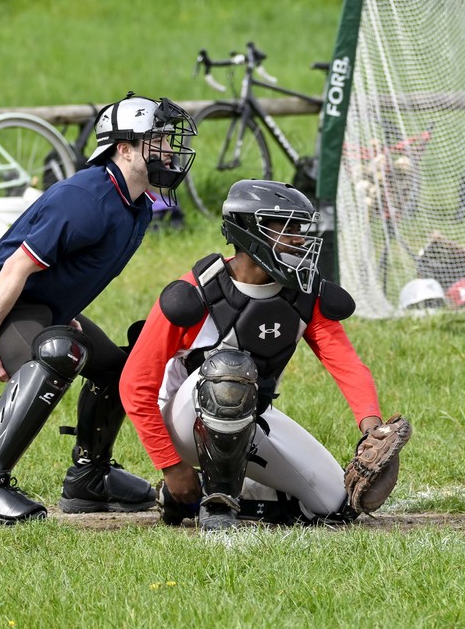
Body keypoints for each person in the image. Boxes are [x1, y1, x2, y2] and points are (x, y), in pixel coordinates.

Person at [0, 94, 196, 524]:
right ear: (124, 148)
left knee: (121, 368)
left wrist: (64, 310)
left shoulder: (136, 206)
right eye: (156, 141)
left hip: (37, 306)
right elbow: (13, 268)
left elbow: (75, 272)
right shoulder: (86, 199)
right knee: (60, 353)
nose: (168, 151)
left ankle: (89, 477)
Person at [120, 179, 394, 530]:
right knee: (228, 370)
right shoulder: (195, 292)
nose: (299, 238)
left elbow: (347, 366)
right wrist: (172, 465)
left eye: (301, 228)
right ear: (250, 231)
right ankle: (216, 505)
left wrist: (373, 428)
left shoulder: (304, 295)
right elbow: (134, 384)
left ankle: (197, 498)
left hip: (249, 417)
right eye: (288, 227)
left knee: (335, 504)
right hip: (183, 421)